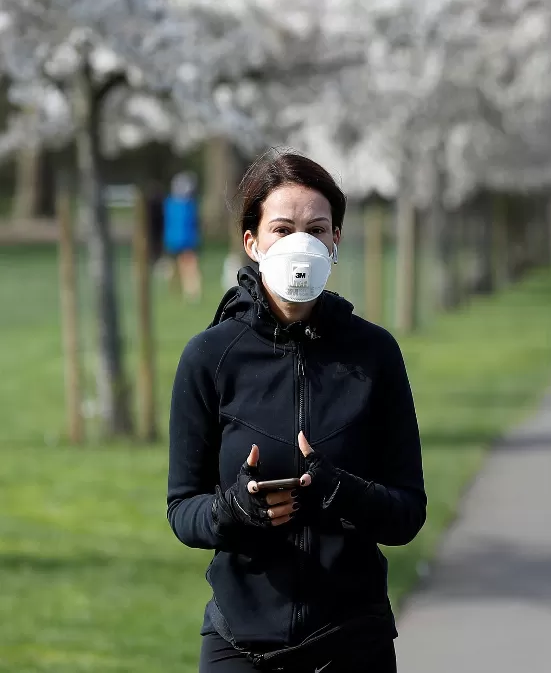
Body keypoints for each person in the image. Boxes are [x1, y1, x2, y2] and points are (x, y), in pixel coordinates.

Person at [166, 149, 426, 673]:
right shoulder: (209, 357)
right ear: (252, 242)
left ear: (335, 242)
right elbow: (182, 509)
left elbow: (407, 512)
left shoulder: (375, 353)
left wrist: (341, 491)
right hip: (240, 644)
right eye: (282, 228)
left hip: (353, 638)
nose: (299, 243)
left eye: (316, 228)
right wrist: (232, 510)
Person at [164, 171, 203, 302]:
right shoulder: (181, 204)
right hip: (179, 241)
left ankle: (190, 293)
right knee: (178, 268)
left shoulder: (178, 203)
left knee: (187, 268)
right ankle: (183, 292)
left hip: (182, 242)